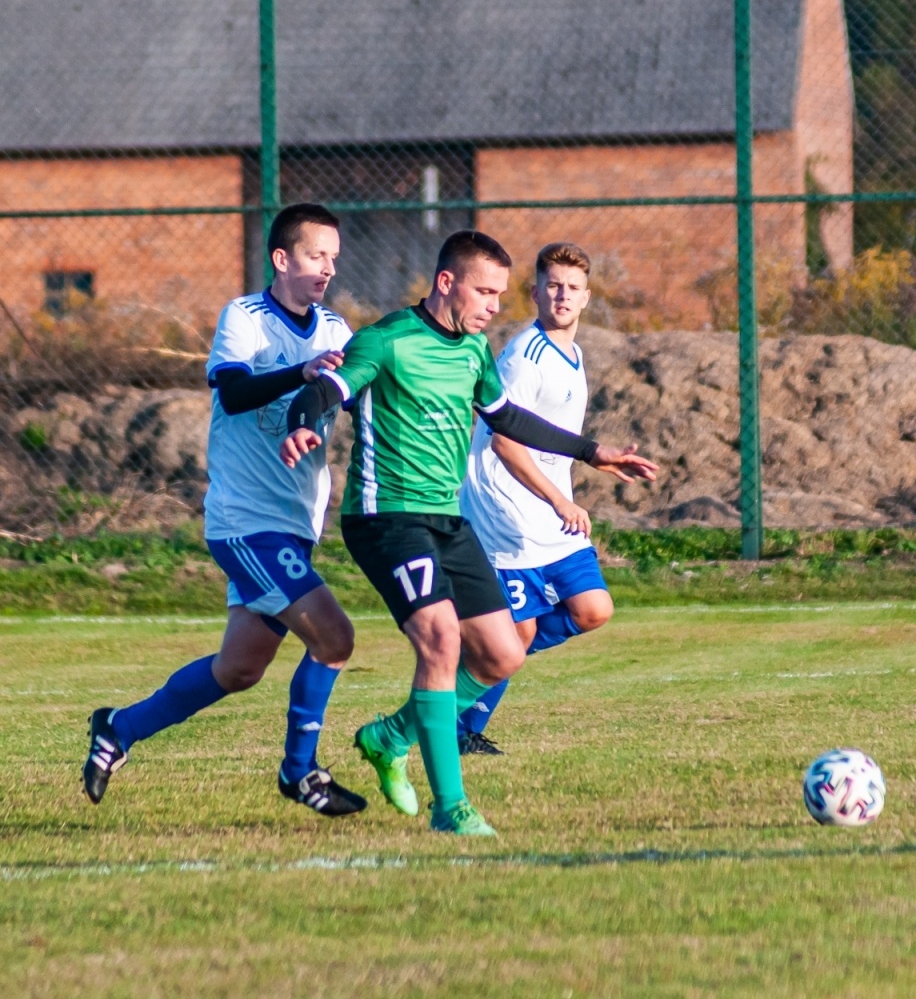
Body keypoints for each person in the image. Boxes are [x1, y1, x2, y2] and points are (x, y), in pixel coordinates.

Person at [278, 230, 657, 836]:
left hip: (448, 521)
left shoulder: (475, 351)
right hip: (387, 519)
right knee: (439, 639)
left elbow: (507, 419)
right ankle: (450, 809)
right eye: (484, 291)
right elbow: (329, 388)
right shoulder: (388, 339)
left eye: (501, 294)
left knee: (504, 653)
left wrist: (591, 453)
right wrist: (303, 424)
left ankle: (387, 737)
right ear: (446, 282)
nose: (493, 305)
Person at [82, 203, 366, 817]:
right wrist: (302, 371)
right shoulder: (246, 316)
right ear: (282, 259)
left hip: (294, 526)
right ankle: (301, 774)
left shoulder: (337, 330)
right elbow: (234, 391)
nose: (327, 269)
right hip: (244, 524)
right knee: (335, 638)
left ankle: (117, 729)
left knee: (238, 669)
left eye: (334, 258)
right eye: (317, 256)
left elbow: (361, 402)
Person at [456, 242, 614, 754]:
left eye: (572, 287)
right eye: (553, 285)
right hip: (507, 512)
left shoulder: (572, 353)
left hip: (547, 510)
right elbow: (504, 440)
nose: (562, 295)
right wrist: (559, 502)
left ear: (587, 298)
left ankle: (478, 658)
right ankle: (460, 722)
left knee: (593, 609)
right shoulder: (526, 356)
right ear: (535, 292)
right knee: (517, 636)